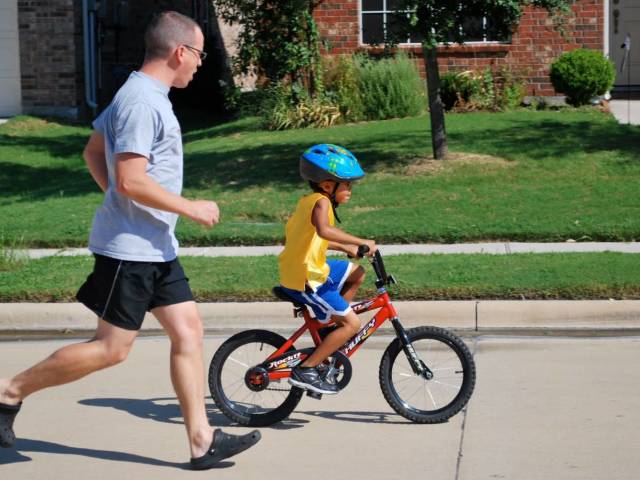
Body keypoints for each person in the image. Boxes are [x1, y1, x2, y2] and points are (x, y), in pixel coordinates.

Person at [0, 11, 260, 470]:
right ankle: (8, 392)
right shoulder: (143, 102)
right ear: (180, 52)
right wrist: (189, 207)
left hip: (154, 245)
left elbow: (93, 151)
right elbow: (130, 179)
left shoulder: (140, 94)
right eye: (198, 54)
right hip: (130, 251)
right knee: (111, 349)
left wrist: (121, 199)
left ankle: (202, 441)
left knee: (188, 332)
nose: (200, 63)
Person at [278, 144, 377, 395]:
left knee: (357, 273)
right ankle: (307, 370)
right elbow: (323, 231)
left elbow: (314, 238)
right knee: (352, 325)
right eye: (346, 184)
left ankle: (332, 327)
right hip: (307, 277)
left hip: (310, 267)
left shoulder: (311, 200)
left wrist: (346, 248)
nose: (350, 189)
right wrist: (360, 241)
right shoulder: (321, 203)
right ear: (326, 185)